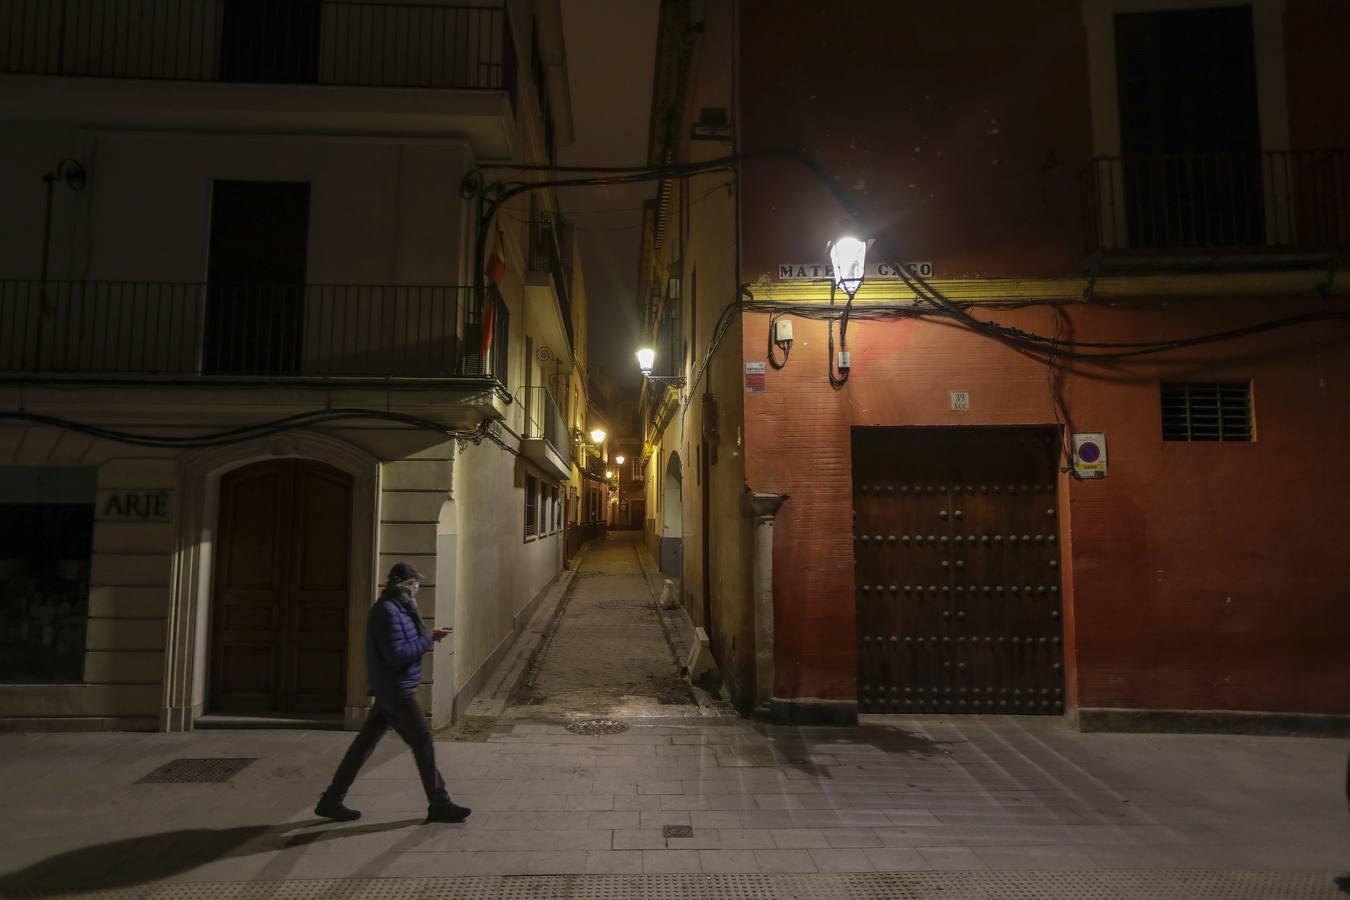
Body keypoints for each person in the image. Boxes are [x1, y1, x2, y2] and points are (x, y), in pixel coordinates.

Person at [314, 563, 470, 824]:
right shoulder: (387, 611)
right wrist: (428, 640)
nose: (416, 588)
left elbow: (402, 644)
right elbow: (396, 654)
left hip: (392, 688)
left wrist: (428, 635)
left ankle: (332, 799)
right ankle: (439, 802)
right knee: (422, 741)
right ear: (402, 585)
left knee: (363, 745)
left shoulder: (400, 608)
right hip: (396, 690)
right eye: (412, 583)